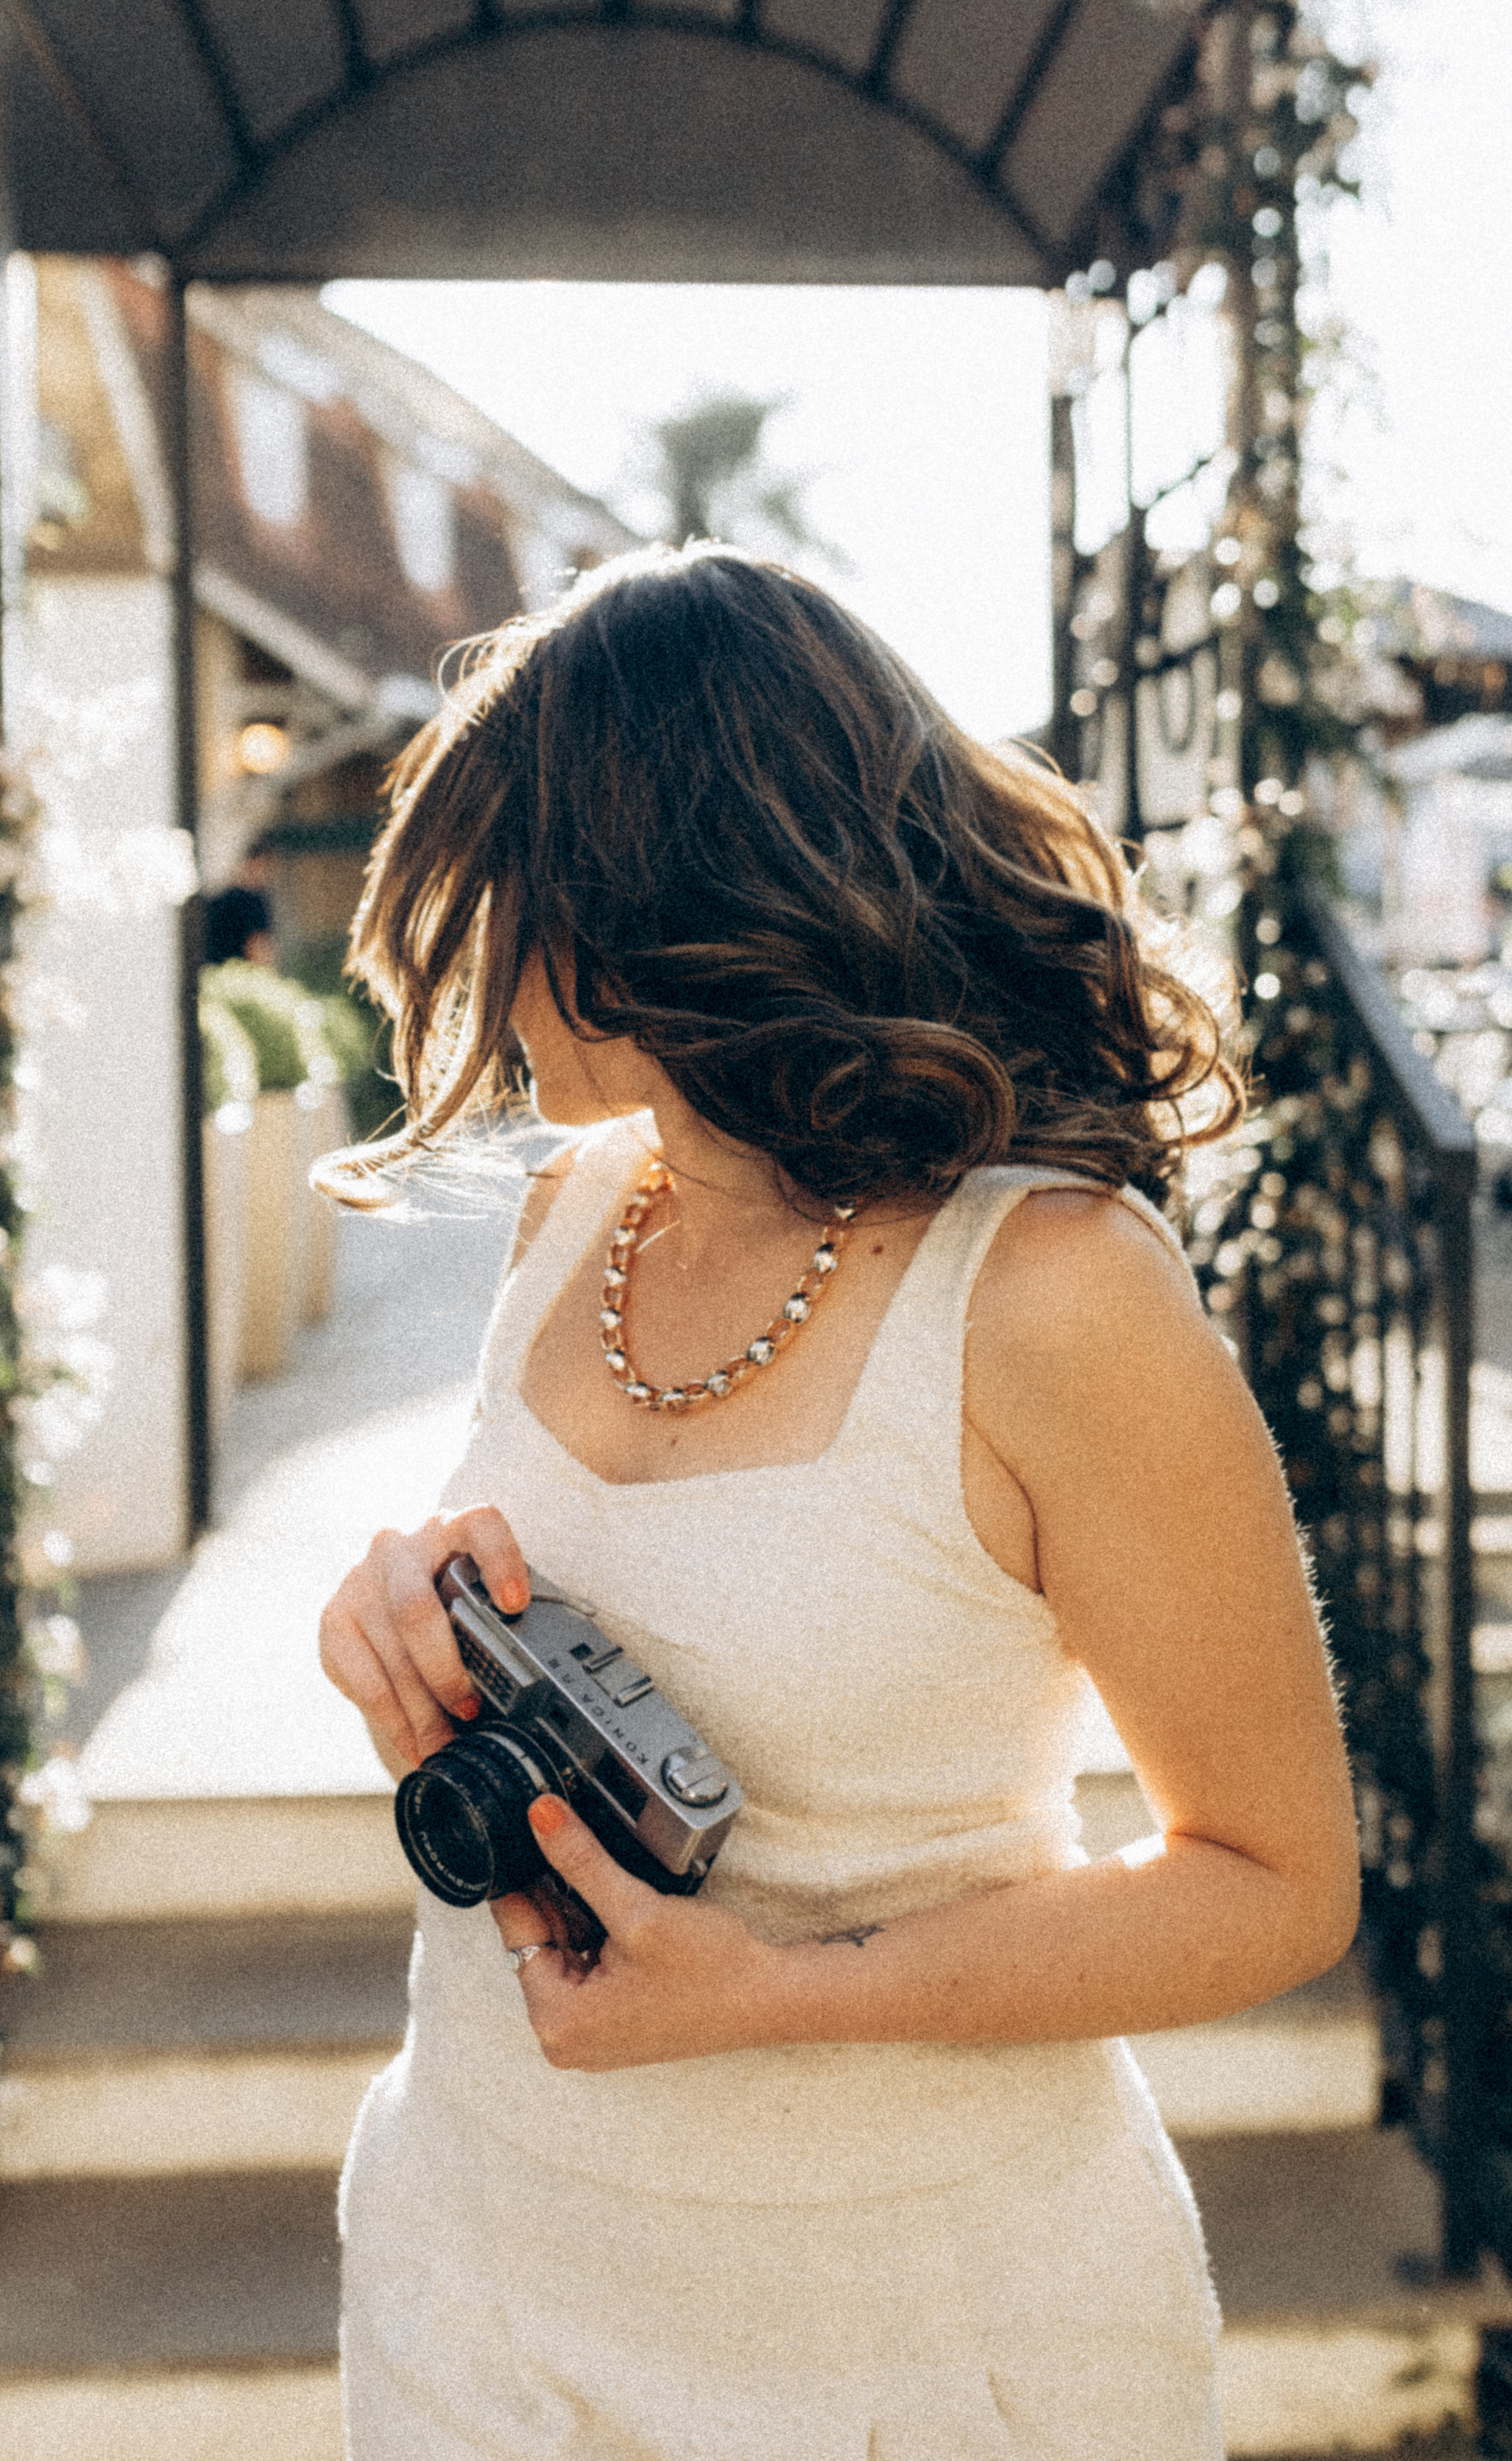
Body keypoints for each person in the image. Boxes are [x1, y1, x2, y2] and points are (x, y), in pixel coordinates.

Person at [317, 547, 1359, 2461]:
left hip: (917, 2340)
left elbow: (1280, 1887)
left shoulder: (1055, 1294)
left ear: (665, 892)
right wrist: (400, 1619)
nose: (479, 965)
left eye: (516, 896)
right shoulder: (574, 1214)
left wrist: (780, 1993)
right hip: (480, 2279)